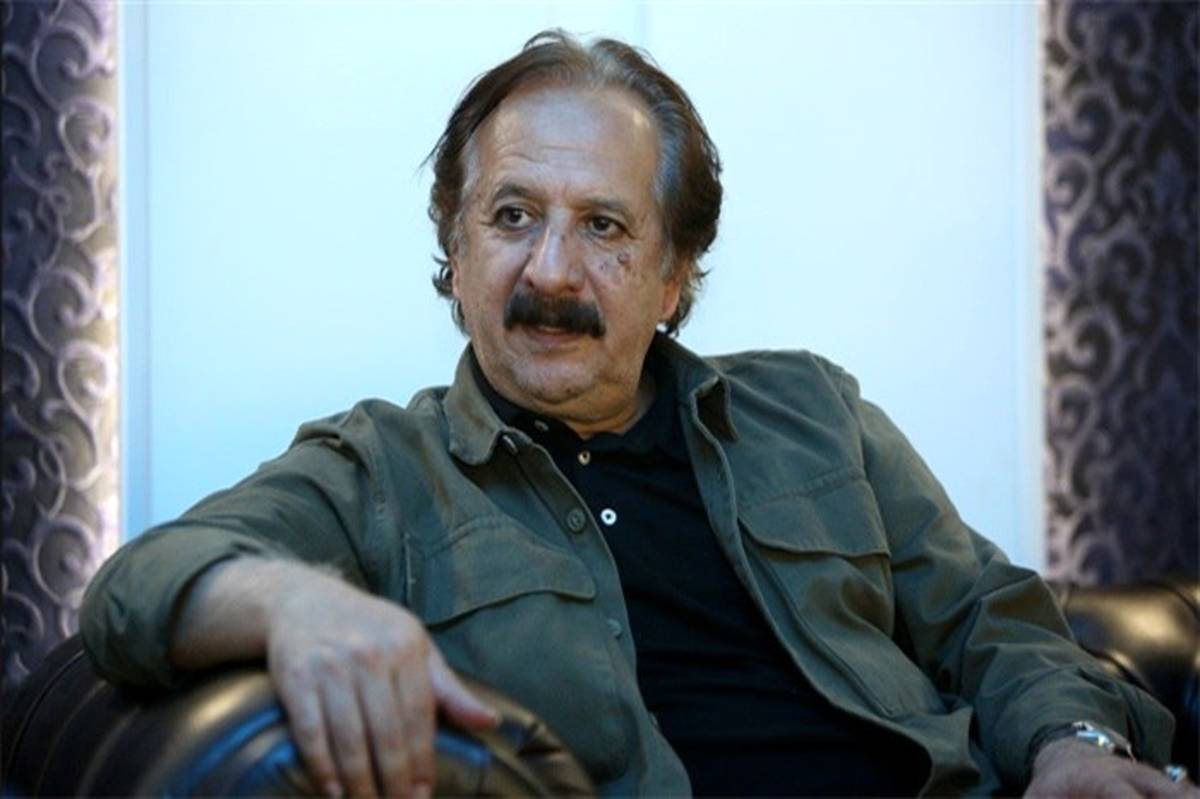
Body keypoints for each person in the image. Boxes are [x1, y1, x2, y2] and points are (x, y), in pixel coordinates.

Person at [81, 30, 1191, 798]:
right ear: (455, 251)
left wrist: (1073, 743)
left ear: (673, 278)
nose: (551, 271)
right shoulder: (383, 466)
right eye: (512, 216)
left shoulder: (813, 409)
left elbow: (992, 617)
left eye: (604, 228)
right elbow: (134, 588)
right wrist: (293, 603)